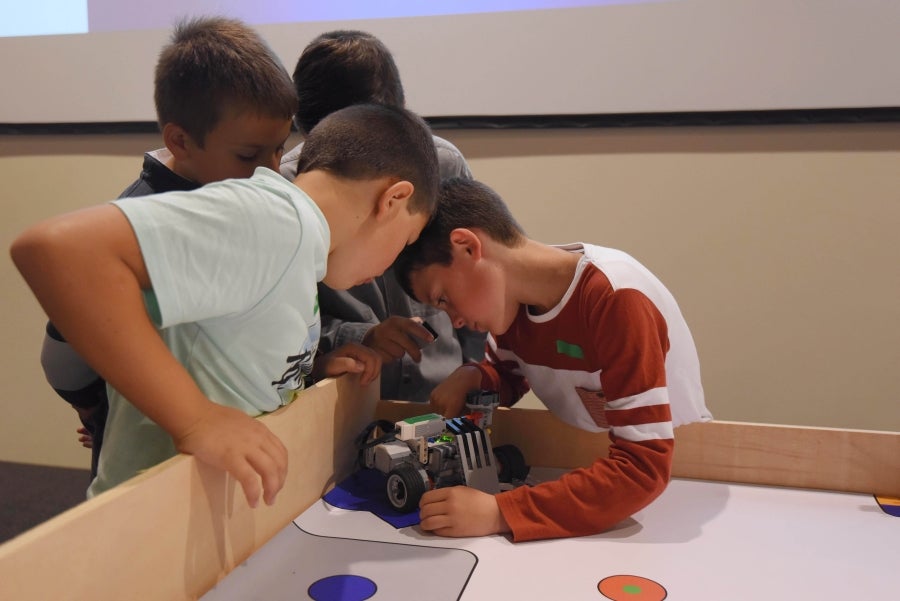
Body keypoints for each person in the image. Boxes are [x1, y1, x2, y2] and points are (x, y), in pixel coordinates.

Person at [11, 102, 440, 507]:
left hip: (203, 520)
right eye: (405, 242)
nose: (389, 265)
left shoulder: (300, 243)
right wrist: (196, 420)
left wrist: (312, 368)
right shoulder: (277, 220)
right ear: (393, 199)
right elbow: (58, 251)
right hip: (150, 519)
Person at [38, 16, 298, 479]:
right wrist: (93, 409)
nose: (271, 173)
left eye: (281, 149)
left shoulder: (252, 204)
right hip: (145, 458)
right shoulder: (142, 216)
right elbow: (61, 352)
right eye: (249, 156)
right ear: (180, 140)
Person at [394, 178, 712, 542]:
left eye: (444, 298)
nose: (456, 321)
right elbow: (509, 374)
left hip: (679, 479)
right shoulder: (513, 306)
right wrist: (474, 375)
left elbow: (642, 470)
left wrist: (502, 512)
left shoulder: (616, 298)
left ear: (467, 246)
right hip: (584, 460)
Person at [280, 30, 486, 404]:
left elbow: (479, 279)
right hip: (350, 405)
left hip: (444, 393)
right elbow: (287, 327)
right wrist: (356, 336)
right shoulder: (284, 196)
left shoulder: (443, 167)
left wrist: (480, 375)